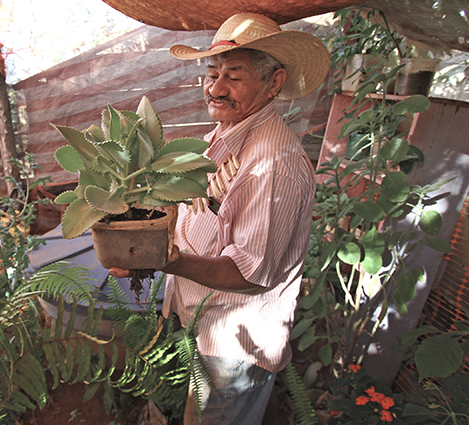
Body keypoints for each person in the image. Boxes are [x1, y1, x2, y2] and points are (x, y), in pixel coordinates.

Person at [111, 12, 329, 424]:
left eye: (234, 75)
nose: (216, 88)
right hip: (200, 322)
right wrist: (140, 233)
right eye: (211, 73)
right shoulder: (222, 137)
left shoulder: (273, 164)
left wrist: (166, 260)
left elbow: (250, 273)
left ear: (274, 82)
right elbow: (192, 206)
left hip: (233, 346)